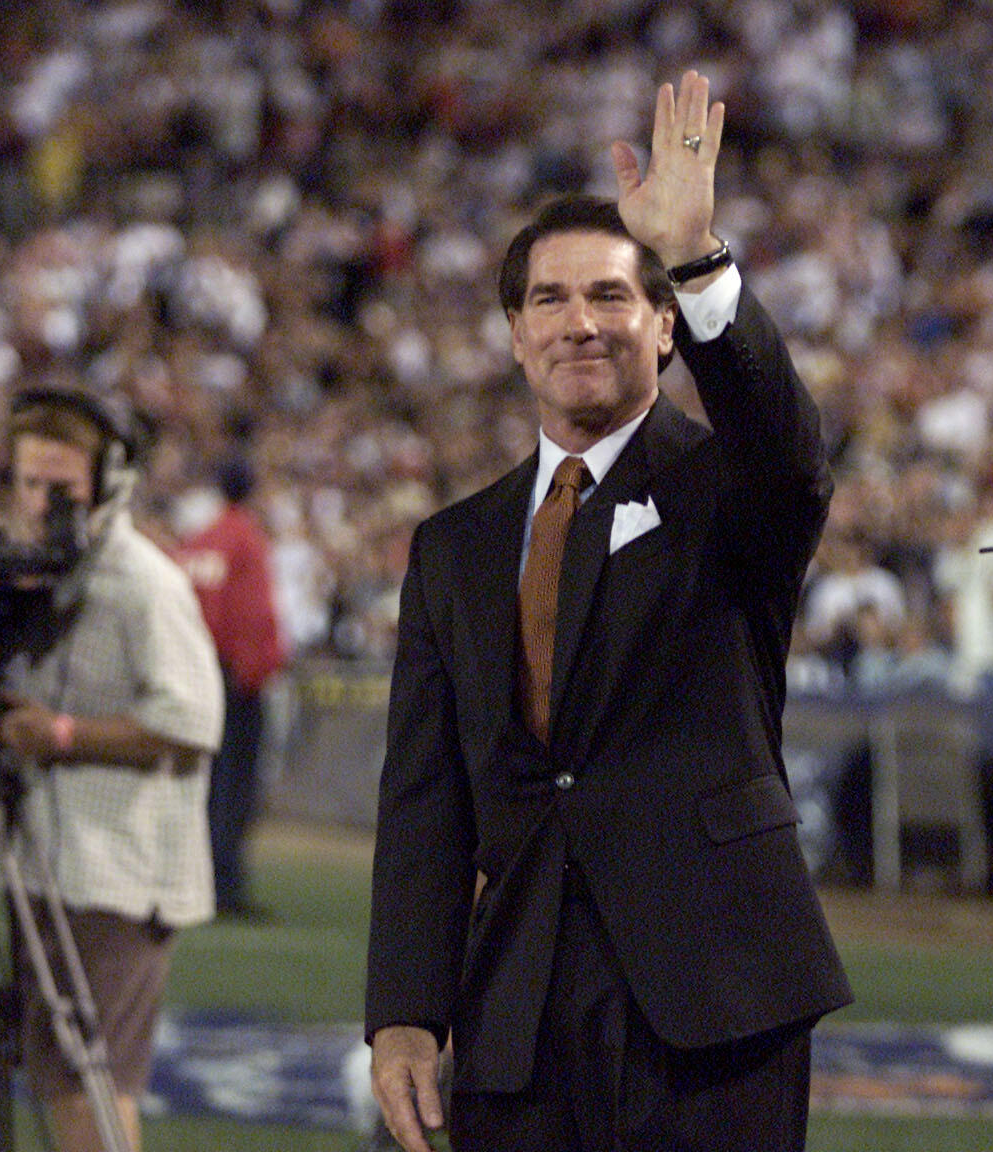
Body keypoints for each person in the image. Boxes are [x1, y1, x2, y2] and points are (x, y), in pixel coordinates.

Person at [365, 72, 851, 1152]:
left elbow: (793, 457)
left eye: (612, 297)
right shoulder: (453, 546)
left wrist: (699, 257)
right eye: (550, 299)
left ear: (666, 328)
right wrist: (403, 1011)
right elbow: (425, 797)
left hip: (716, 993)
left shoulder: (731, 485)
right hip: (516, 998)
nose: (580, 324)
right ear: (512, 334)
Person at [0, 387, 223, 1152]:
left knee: (92, 1077)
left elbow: (193, 725)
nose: (38, 501)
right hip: (53, 860)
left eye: (59, 484)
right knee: (60, 1075)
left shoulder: (146, 584)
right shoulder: (45, 575)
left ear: (109, 479)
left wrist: (59, 733)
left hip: (119, 869)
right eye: (27, 481)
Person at [175, 457, 289, 919]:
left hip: (197, 669)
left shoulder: (200, 538)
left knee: (205, 783)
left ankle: (195, 879)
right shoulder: (246, 537)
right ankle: (224, 884)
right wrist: (258, 671)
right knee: (235, 785)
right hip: (235, 678)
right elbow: (253, 616)